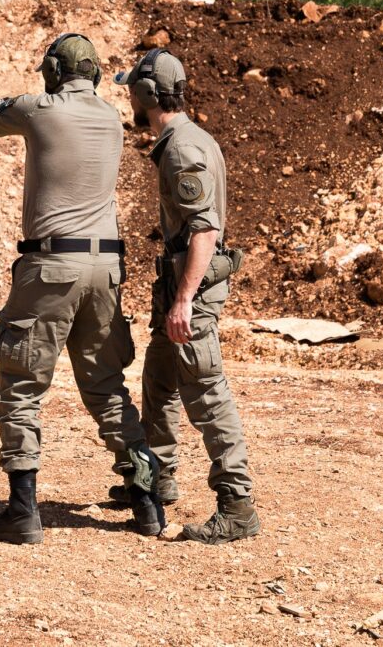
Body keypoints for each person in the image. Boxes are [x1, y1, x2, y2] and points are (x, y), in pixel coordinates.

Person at [0, 33, 165, 544]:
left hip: (52, 265)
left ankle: (23, 511)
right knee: (105, 386)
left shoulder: (39, 109)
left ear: (53, 72)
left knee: (20, 383)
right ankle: (147, 505)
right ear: (97, 74)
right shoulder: (110, 118)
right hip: (106, 267)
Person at [114, 49, 260, 544]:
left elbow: (204, 231)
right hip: (179, 285)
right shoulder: (180, 139)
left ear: (150, 95)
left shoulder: (182, 149)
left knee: (206, 392)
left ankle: (236, 505)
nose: (129, 96)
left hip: (190, 290)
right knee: (159, 376)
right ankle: (160, 476)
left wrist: (183, 301)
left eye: (133, 88)